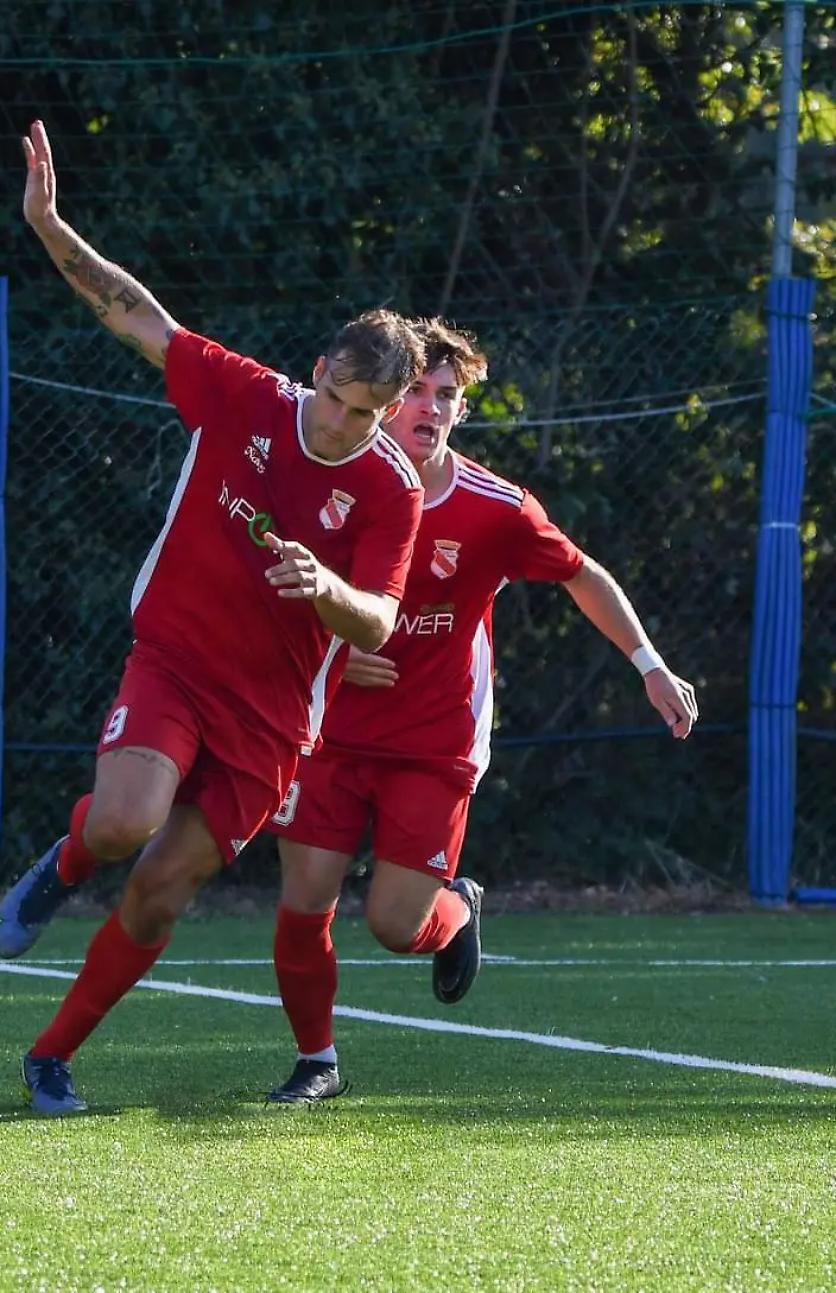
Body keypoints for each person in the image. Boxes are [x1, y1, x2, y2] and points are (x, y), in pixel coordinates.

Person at [0, 121, 427, 1114]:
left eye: (368, 414)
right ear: (319, 369)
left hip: (270, 721)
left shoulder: (390, 491)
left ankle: (49, 1056)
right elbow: (133, 313)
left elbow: (380, 624)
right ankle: (61, 867)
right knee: (123, 824)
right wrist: (51, 226)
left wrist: (328, 591)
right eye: (338, 398)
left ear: (390, 413)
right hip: (178, 660)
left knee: (160, 888)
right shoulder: (245, 397)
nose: (342, 423)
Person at [266, 317, 699, 1103]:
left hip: (435, 743)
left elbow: (582, 573)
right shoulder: (328, 475)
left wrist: (651, 663)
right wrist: (331, 651)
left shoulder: (494, 507)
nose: (430, 407)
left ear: (461, 411)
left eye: (447, 396)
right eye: (418, 392)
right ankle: (316, 1059)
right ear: (386, 399)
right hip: (331, 728)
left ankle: (456, 911)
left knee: (396, 924)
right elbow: (274, 585)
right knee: (305, 897)